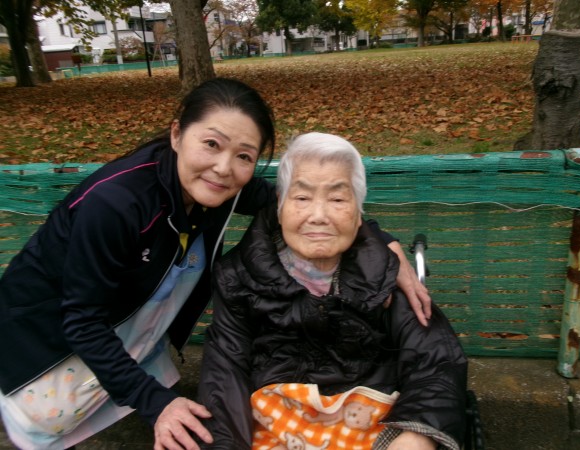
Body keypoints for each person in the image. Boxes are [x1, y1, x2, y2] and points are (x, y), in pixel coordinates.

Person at [0, 79, 428, 450]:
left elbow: (303, 202)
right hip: (44, 341)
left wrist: (381, 240)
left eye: (244, 155)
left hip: (128, 331)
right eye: (211, 144)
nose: (224, 168)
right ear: (176, 134)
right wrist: (155, 403)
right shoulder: (115, 205)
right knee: (53, 425)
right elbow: (82, 321)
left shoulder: (223, 187)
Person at [196, 132, 468, 450]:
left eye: (337, 200)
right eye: (302, 198)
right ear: (280, 206)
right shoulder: (238, 277)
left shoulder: (384, 272)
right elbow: (225, 372)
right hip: (275, 426)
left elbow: (436, 360)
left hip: (372, 425)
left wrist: (417, 436)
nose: (319, 216)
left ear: (358, 212)